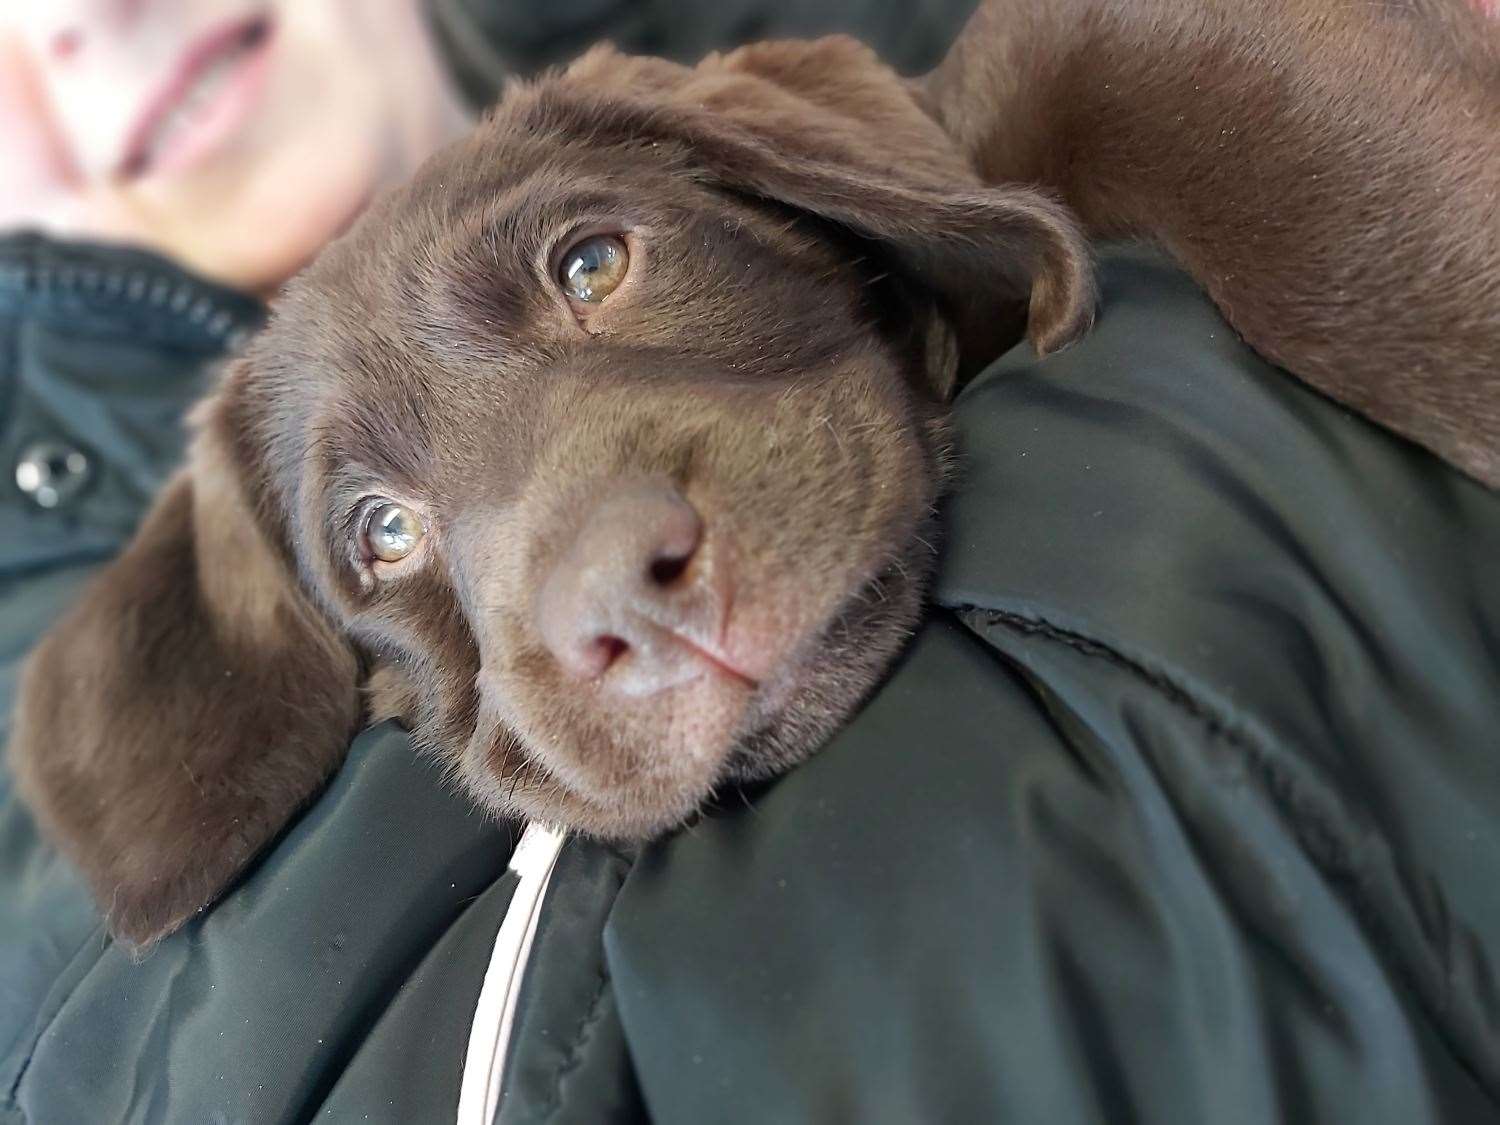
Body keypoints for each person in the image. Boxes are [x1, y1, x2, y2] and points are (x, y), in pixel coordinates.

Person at [2, 1, 1497, 1122]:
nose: (82, 13)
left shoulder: (702, 88)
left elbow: (1071, 75)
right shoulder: (50, 582)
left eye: (590, 263)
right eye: (377, 528)